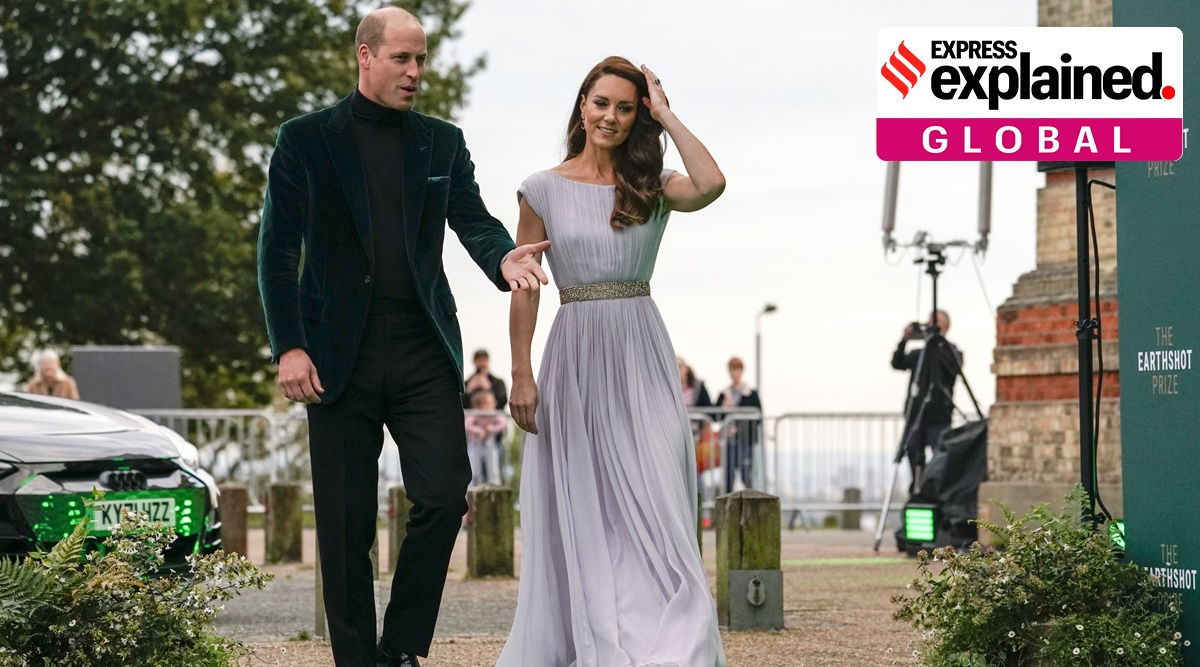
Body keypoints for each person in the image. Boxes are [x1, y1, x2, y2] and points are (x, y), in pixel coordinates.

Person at [256, 8, 550, 667]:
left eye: (422, 59)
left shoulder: (441, 142)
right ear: (365, 56)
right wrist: (290, 345)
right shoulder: (305, 140)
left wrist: (503, 258)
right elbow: (277, 251)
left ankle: (399, 647)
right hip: (336, 355)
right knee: (344, 525)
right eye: (402, 59)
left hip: (421, 347)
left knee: (446, 493)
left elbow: (474, 221)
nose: (416, 72)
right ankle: (359, 660)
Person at [500, 56, 727, 666]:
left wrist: (668, 115)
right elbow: (526, 283)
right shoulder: (541, 187)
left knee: (660, 496)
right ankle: (597, 636)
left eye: (626, 108)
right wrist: (520, 371)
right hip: (571, 355)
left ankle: (672, 642)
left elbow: (710, 184)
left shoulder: (651, 183)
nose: (611, 117)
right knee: (586, 503)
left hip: (642, 350)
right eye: (602, 103)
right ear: (582, 105)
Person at [892, 309, 963, 493]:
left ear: (945, 327)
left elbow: (953, 369)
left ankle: (936, 493)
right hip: (916, 416)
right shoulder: (919, 354)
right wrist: (904, 339)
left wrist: (937, 343)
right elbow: (897, 363)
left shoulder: (951, 351)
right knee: (913, 456)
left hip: (939, 417)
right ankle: (918, 491)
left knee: (941, 459)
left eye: (935, 324)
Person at [714, 356, 762, 493]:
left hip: (745, 440)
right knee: (729, 476)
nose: (734, 373)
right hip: (729, 441)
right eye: (732, 370)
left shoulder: (751, 394)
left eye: (736, 369)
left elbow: (758, 415)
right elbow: (714, 416)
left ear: (741, 371)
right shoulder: (724, 394)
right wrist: (724, 407)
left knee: (746, 474)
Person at [464, 389, 507, 487]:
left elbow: (503, 423)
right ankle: (471, 490)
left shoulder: (494, 414)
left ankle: (495, 489)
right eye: (485, 403)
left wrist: (491, 428)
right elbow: (467, 424)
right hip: (475, 444)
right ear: (478, 405)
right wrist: (478, 430)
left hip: (489, 445)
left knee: (493, 469)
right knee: (473, 469)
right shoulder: (475, 414)